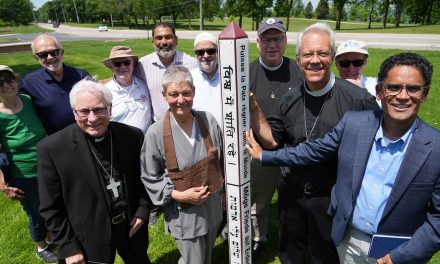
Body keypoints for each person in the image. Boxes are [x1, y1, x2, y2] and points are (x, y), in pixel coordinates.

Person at [247, 52, 440, 264]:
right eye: (393, 87)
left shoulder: (435, 149)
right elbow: (313, 150)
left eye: (413, 88)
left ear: (425, 93)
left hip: (399, 251)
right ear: (379, 91)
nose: (403, 96)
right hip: (346, 242)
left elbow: (438, 220)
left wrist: (402, 256)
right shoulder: (355, 124)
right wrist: (265, 156)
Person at [250, 22, 380, 264]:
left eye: (322, 53)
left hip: (331, 197)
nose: (315, 60)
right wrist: (255, 109)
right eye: (308, 54)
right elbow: (272, 142)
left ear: (332, 56)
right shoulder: (289, 100)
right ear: (298, 59)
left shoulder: (357, 100)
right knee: (291, 254)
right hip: (292, 193)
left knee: (326, 256)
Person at [37, 80, 151, 264]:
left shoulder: (132, 136)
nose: (92, 118)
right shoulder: (52, 149)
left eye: (99, 109)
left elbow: (145, 179)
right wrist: (69, 247)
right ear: (74, 113)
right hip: (89, 235)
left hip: (131, 226)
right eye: (84, 111)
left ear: (110, 108)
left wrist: (143, 211)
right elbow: (50, 207)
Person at [141, 65, 223, 264]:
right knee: (193, 260)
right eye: (173, 94)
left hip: (212, 207)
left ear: (194, 92)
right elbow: (150, 176)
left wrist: (225, 195)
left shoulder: (208, 121)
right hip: (184, 213)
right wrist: (179, 195)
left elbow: (221, 163)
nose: (180, 100)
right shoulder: (156, 132)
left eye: (186, 93)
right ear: (164, 95)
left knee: (207, 258)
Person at [248, 17, 303, 257]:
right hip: (260, 152)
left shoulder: (298, 70)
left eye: (277, 39)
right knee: (258, 204)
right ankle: (259, 238)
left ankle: (294, 244)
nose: (272, 44)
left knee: (294, 203)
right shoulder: (246, 72)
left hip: (293, 150)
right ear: (258, 43)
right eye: (266, 39)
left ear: (285, 41)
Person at [0, 65, 57, 263]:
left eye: (10, 78)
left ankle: (52, 237)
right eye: (0, 83)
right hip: (23, 174)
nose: (7, 84)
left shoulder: (27, 100)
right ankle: (41, 247)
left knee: (52, 204)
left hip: (47, 166)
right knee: (36, 212)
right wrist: (3, 185)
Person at [20, 34, 91, 135]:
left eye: (54, 52)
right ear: (36, 58)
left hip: (87, 133)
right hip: (57, 141)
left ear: (62, 53)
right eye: (42, 55)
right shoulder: (29, 83)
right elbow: (13, 105)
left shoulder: (81, 75)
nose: (49, 57)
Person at [137, 22, 198, 121]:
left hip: (187, 123)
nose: (164, 42)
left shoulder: (192, 64)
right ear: (153, 42)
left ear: (176, 40)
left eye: (168, 37)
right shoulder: (143, 65)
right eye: (159, 38)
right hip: (158, 127)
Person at [103, 45, 153, 134]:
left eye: (126, 62)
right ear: (111, 66)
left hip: (146, 144)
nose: (122, 67)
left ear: (133, 63)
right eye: (117, 64)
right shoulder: (104, 92)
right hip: (121, 145)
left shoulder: (144, 84)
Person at [191, 32, 222, 126]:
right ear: (195, 54)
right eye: (200, 52)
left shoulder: (229, 75)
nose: (206, 56)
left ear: (217, 51)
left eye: (210, 51)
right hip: (201, 138)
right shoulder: (190, 78)